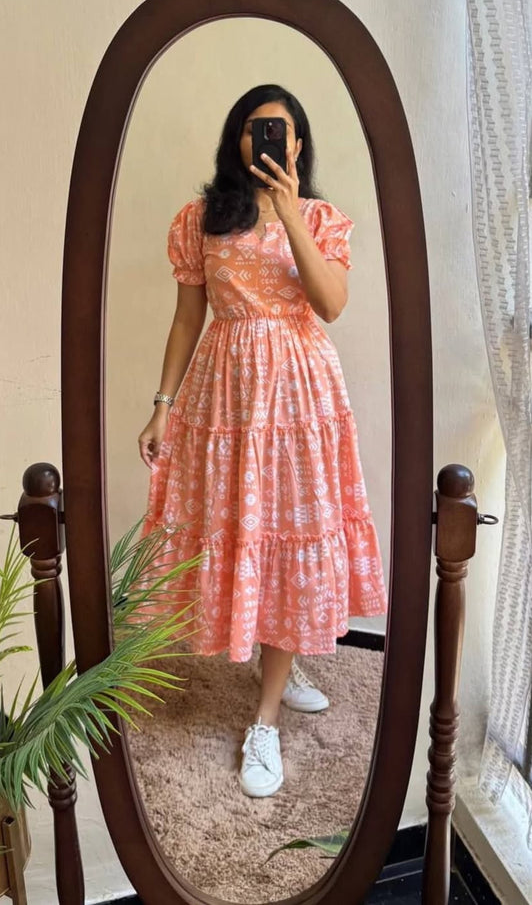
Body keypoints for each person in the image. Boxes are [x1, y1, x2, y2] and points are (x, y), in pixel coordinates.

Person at [138, 84, 387, 799]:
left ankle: (266, 718)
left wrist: (289, 215)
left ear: (298, 144)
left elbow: (330, 305)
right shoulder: (198, 221)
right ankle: (278, 663)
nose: (265, 141)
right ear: (235, 140)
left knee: (289, 533)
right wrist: (163, 406)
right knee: (244, 533)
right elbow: (187, 320)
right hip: (227, 393)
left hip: (301, 398)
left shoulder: (321, 218)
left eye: (278, 130)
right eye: (253, 129)